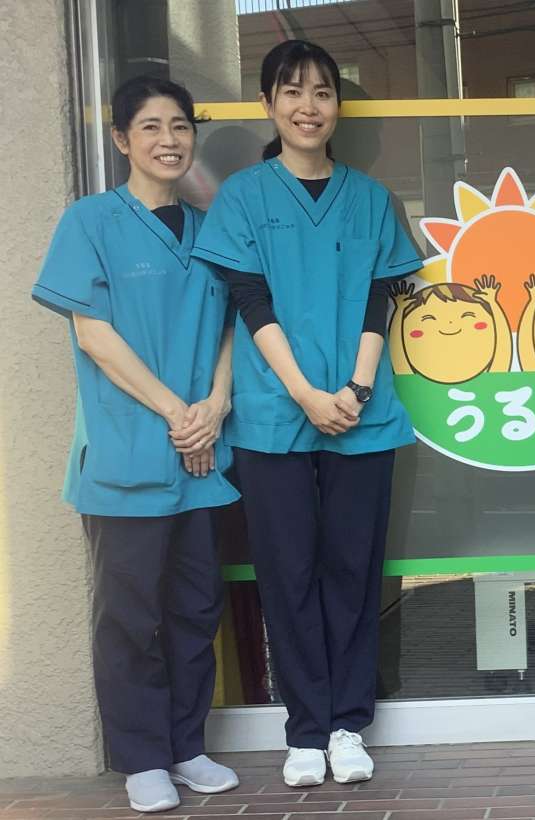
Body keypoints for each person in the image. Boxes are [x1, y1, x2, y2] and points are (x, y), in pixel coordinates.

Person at [192, 39, 422, 788]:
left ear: (338, 107)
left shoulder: (369, 198)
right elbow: (249, 300)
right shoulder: (243, 198)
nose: (308, 106)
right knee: (287, 572)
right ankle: (305, 729)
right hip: (273, 413)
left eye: (322, 92)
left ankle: (349, 724)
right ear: (268, 104)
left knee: (354, 570)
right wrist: (304, 393)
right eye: (291, 92)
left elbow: (378, 297)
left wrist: (355, 390)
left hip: (361, 413)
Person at [32, 75, 240, 813]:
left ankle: (186, 745)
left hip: (202, 454)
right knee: (129, 616)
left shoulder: (213, 230)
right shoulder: (91, 222)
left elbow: (232, 326)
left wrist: (216, 404)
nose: (169, 140)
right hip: (128, 455)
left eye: (180, 126)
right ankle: (142, 757)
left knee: (195, 608)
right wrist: (179, 413)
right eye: (150, 126)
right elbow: (94, 335)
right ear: (122, 139)